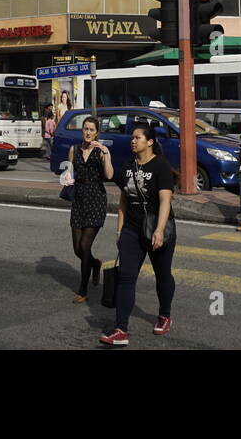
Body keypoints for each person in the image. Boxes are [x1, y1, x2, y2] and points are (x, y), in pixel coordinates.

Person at [99, 123, 175, 346]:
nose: (133, 141)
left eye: (138, 138)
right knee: (126, 276)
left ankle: (164, 314)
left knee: (163, 275)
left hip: (156, 227)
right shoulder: (128, 166)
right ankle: (120, 329)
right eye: (132, 138)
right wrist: (120, 229)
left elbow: (165, 201)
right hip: (132, 229)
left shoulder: (160, 166)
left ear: (150, 142)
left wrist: (159, 230)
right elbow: (123, 200)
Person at [68, 117, 113, 303]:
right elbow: (69, 173)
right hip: (78, 199)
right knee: (78, 249)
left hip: (96, 198)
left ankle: (83, 290)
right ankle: (95, 264)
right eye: (85, 129)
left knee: (85, 246)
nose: (87, 132)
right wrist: (66, 178)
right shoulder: (74, 150)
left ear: (96, 133)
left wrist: (107, 154)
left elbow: (109, 175)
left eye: (91, 130)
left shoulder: (100, 152)